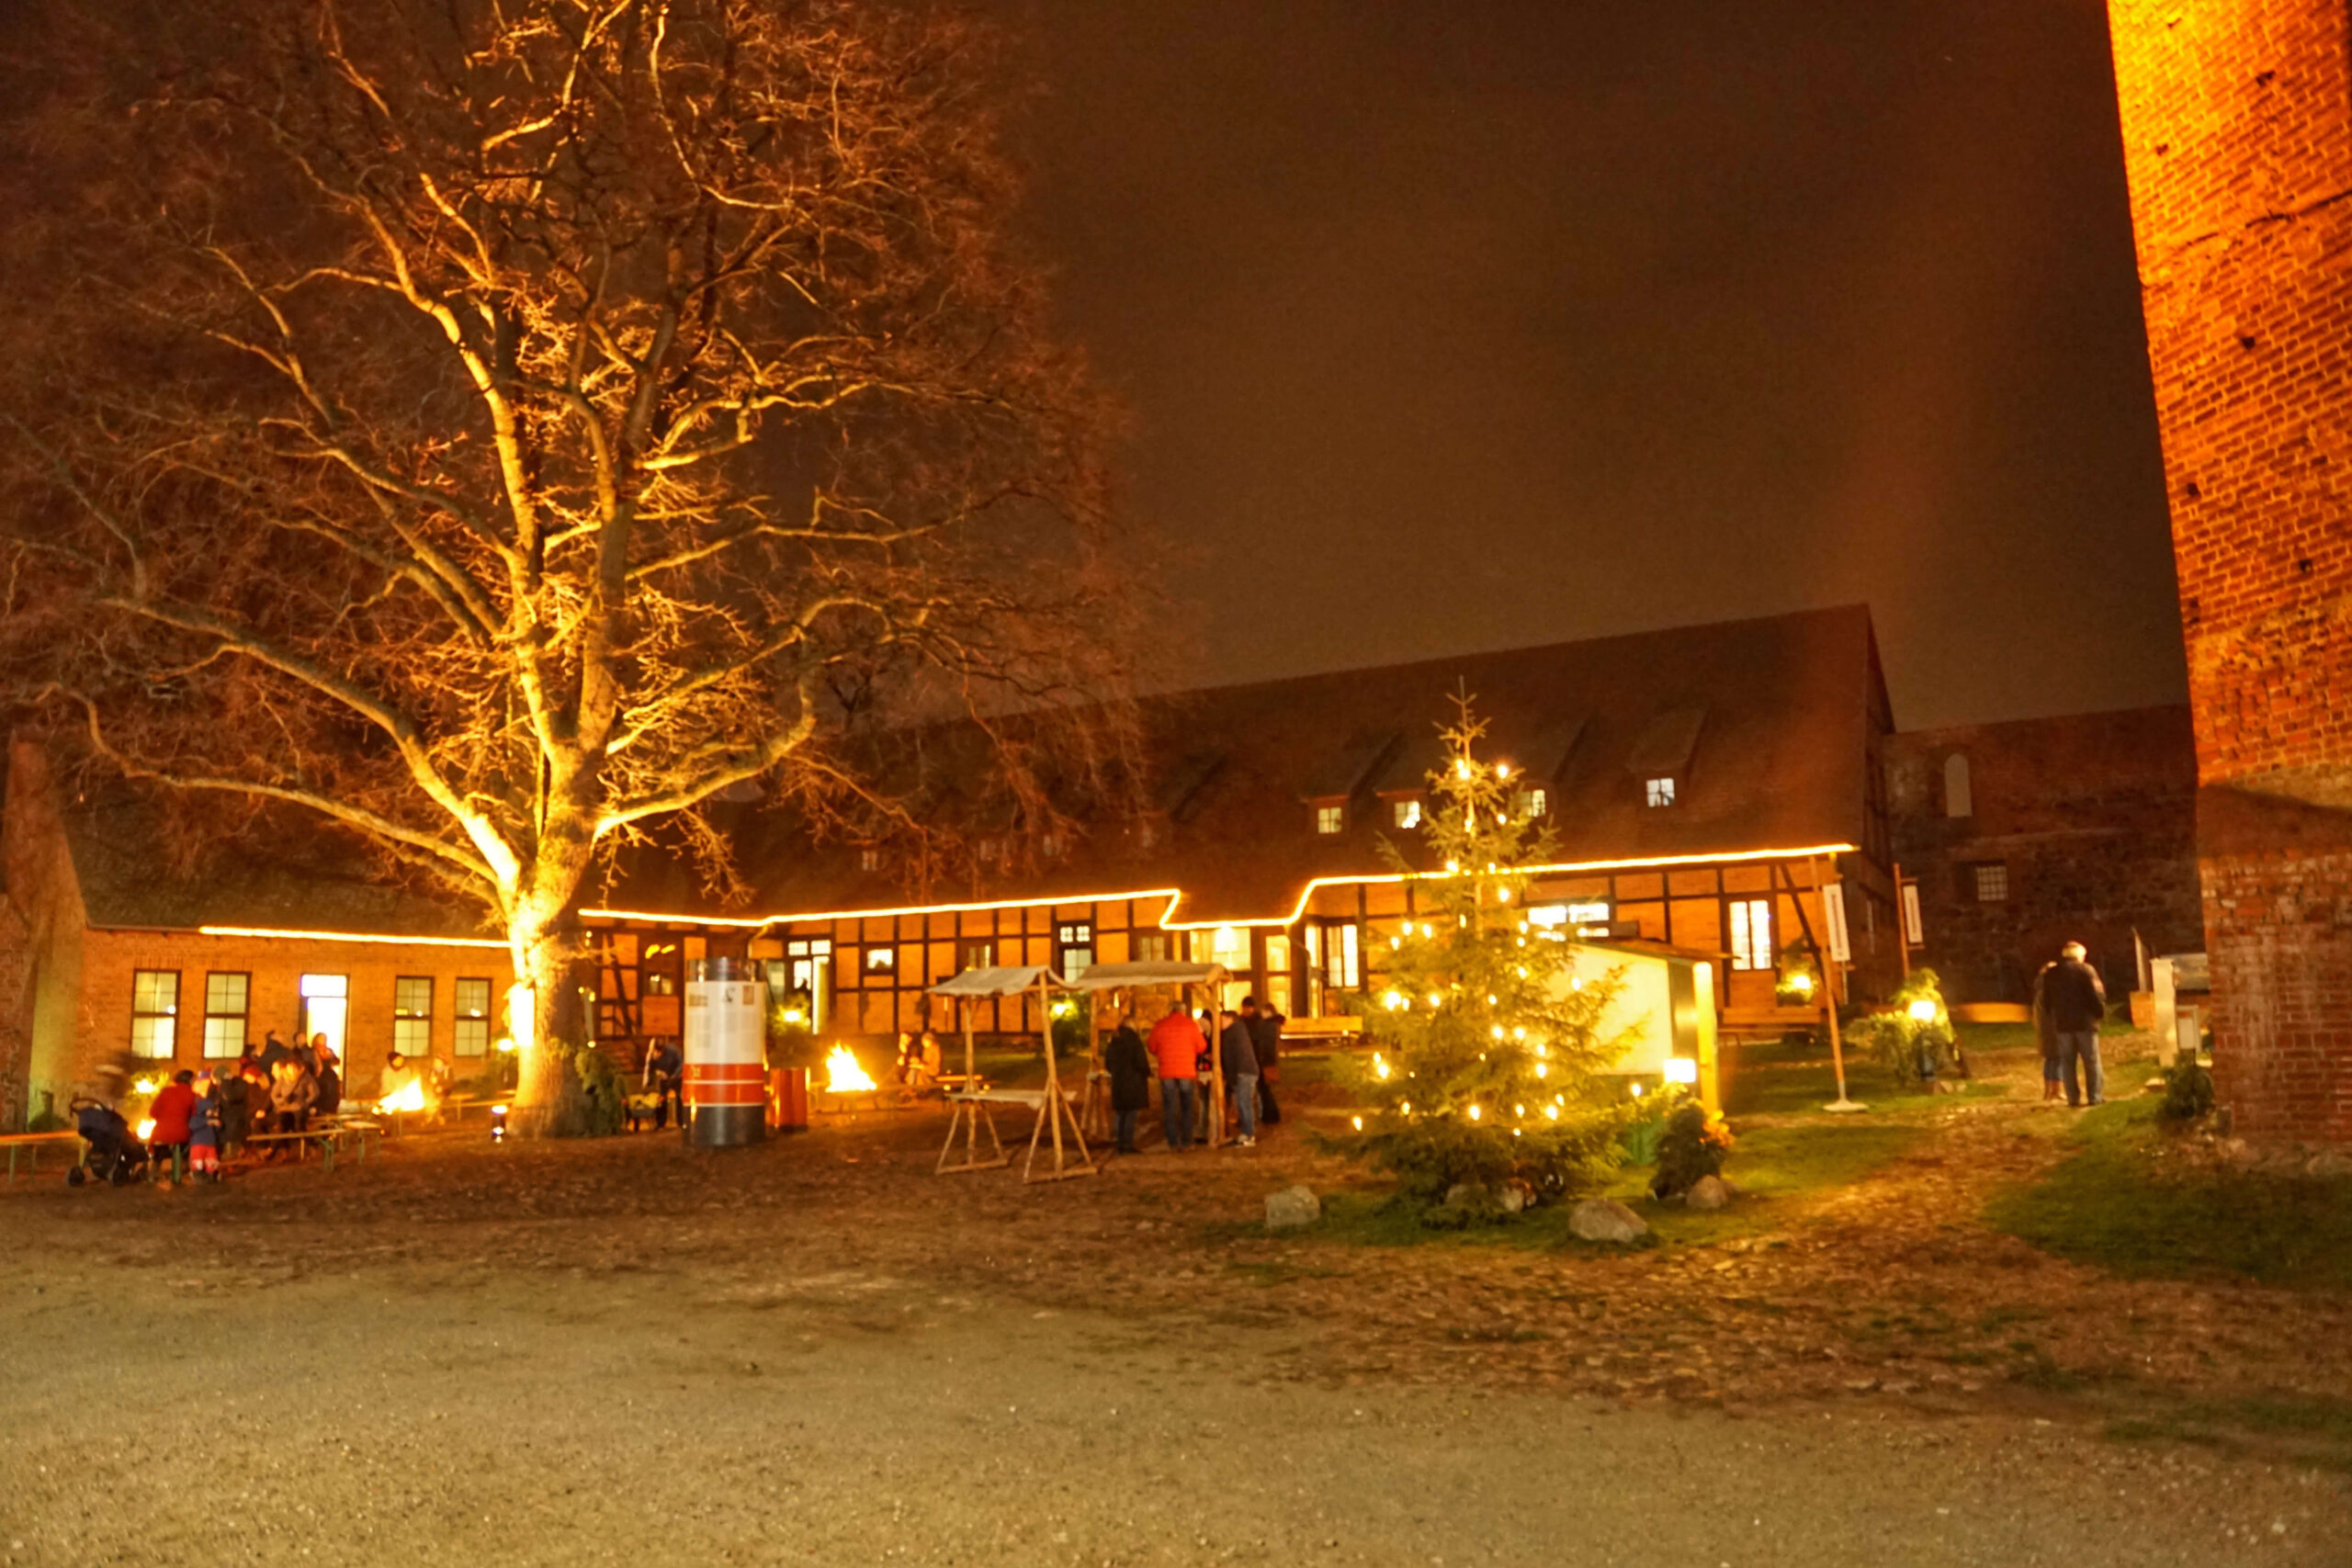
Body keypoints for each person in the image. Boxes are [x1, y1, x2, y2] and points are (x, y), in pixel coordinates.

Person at [2032, 941, 2109, 1108]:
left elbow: (2046, 1002)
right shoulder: (2087, 970)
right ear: (2079, 955)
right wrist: (2099, 1013)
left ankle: (2073, 1098)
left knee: (2067, 1062)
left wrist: (2054, 1017)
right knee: (2091, 1061)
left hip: (2062, 1025)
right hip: (2085, 1023)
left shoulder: (2052, 974)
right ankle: (2094, 1097)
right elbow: (2097, 994)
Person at [1145, 999, 1204, 1151]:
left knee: (1169, 1107)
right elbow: (1201, 1046)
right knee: (1187, 1107)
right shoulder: (1191, 1025)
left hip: (1167, 1071)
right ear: (1183, 1011)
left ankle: (1172, 1141)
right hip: (1186, 1070)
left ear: (1170, 1010)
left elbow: (1151, 1046)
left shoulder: (1160, 1025)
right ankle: (1186, 1140)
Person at [1102, 1011, 1154, 1155]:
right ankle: (1127, 1143)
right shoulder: (1133, 1040)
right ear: (1131, 1024)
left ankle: (1119, 1143)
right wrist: (1147, 1072)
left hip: (1119, 1081)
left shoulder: (1113, 1040)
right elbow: (1140, 1061)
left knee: (1120, 1114)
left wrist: (1116, 1072)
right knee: (1131, 1113)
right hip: (1133, 1082)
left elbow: (1107, 1063)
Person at [146, 1069, 198, 1186]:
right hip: (182, 1134)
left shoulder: (166, 1092)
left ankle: (153, 1172)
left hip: (160, 1134)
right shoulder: (192, 1095)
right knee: (187, 1146)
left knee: (159, 1152)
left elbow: (153, 1112)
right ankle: (182, 1169)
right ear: (190, 1080)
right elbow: (194, 1116)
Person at [1218, 1009, 1259, 1148]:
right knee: (1242, 1104)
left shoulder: (1235, 1032)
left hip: (1244, 1072)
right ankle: (1246, 1133)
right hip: (1241, 1073)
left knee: (1244, 1104)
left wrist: (1239, 1072)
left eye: (1223, 1019)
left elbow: (1238, 1053)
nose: (1220, 1022)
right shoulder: (1233, 1032)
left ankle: (1249, 1135)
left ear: (1231, 1020)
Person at [1241, 996, 1284, 1127]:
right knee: (1264, 1089)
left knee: (1263, 1089)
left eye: (1264, 1011)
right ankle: (1267, 1115)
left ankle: (1269, 1115)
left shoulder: (1266, 1025)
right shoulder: (1270, 1024)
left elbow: (1261, 1041)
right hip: (1265, 1060)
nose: (1262, 1013)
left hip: (1263, 1060)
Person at [187, 1072, 223, 1181]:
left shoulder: (210, 1110)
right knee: (198, 1164)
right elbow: (192, 1125)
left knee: (211, 1163)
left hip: (210, 1143)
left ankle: (211, 1175)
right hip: (198, 1143)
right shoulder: (197, 1113)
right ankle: (198, 1175)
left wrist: (217, 1124)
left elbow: (217, 1127)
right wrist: (207, 1122)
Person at [644, 1038, 684, 1130]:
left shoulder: (672, 1051)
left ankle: (681, 1122)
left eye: (657, 1052)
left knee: (679, 1098)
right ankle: (660, 1123)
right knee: (662, 1098)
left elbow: (680, 1063)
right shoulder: (652, 1054)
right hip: (664, 1077)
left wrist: (674, 1076)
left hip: (677, 1077)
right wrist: (649, 1080)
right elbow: (650, 1067)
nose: (656, 1055)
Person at [312, 1044, 343, 1117]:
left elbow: (337, 1061)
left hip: (329, 1076)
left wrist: (330, 1055)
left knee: (331, 1093)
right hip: (320, 1076)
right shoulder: (314, 1052)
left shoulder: (328, 1051)